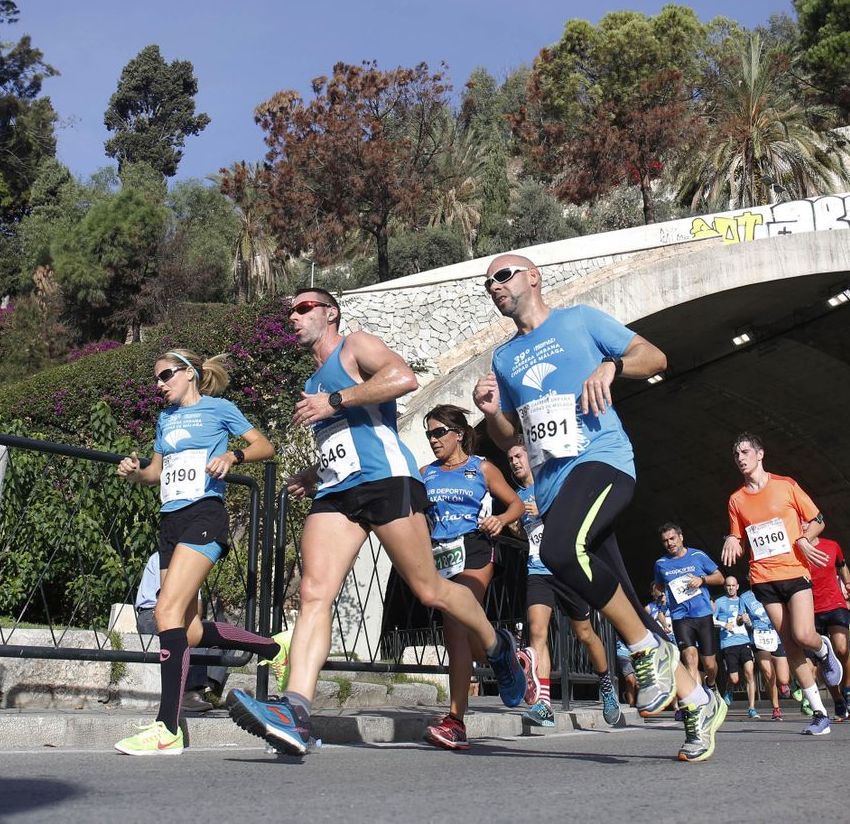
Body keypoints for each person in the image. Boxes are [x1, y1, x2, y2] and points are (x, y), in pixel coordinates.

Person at [228, 289, 535, 755]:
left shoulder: (355, 346)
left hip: (387, 481)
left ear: (330, 313)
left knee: (430, 590)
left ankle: (500, 649)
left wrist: (337, 398)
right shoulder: (312, 384)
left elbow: (403, 378)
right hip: (337, 491)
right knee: (315, 593)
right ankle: (296, 713)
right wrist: (315, 472)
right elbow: (346, 437)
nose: (293, 315)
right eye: (289, 310)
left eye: (304, 307)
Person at [473, 254, 725, 762]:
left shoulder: (580, 320)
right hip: (556, 487)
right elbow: (511, 438)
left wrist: (611, 365)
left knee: (563, 550)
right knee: (624, 601)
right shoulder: (503, 359)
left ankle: (644, 650)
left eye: (502, 275)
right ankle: (699, 702)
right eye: (487, 283)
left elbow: (654, 357)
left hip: (603, 462)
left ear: (533, 277)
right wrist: (491, 414)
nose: (493, 286)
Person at [114, 349, 280, 755]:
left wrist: (231, 456)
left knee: (164, 612)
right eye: (156, 379)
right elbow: (156, 472)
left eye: (166, 375)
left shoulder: (219, 408)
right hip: (169, 521)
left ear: (189, 373)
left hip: (204, 514)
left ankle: (167, 727)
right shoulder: (165, 419)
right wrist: (137, 473)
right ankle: (273, 648)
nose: (160, 384)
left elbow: (265, 446)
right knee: (184, 628)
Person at [719, 433, 844, 737]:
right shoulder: (736, 500)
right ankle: (819, 712)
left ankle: (823, 649)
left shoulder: (785, 485)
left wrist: (803, 538)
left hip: (794, 571)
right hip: (763, 577)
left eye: (745, 451)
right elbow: (737, 533)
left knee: (803, 635)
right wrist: (733, 539)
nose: (740, 458)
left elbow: (818, 519)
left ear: (760, 454)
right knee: (788, 643)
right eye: (736, 454)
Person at [419, 403, 526, 748]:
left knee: (454, 627)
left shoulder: (481, 468)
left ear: (459, 434)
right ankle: (508, 650)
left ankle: (455, 721)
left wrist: (501, 519)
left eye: (438, 433)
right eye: (429, 434)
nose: (433, 440)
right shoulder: (425, 473)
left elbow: (516, 504)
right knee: (469, 643)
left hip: (476, 548)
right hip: (440, 554)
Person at [511, 443, 623, 728]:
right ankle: (544, 704)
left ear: (531, 456)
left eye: (519, 455)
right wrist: (517, 527)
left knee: (584, 633)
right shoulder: (516, 499)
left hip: (564, 568)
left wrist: (546, 510)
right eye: (510, 458)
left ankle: (607, 687)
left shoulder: (555, 484)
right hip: (537, 569)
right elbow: (529, 535)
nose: (514, 462)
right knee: (537, 632)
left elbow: (575, 519)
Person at [133, 551, 225, 713]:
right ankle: (188, 692)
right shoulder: (163, 557)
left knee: (221, 633)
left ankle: (209, 688)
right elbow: (166, 602)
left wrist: (193, 616)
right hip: (151, 613)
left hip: (179, 612)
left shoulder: (192, 562)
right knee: (188, 630)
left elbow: (196, 607)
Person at [654, 523, 722, 691]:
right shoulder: (661, 564)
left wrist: (702, 580)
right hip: (680, 617)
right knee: (690, 659)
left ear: (681, 537)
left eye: (672, 538)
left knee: (710, 665)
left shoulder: (697, 555)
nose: (670, 543)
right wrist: (659, 595)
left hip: (703, 614)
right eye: (665, 541)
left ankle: (711, 683)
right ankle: (697, 703)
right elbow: (658, 586)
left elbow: (720, 578)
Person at [807, 534, 850, 721]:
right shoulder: (795, 550)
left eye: (807, 522)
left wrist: (848, 585)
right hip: (811, 610)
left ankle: (846, 689)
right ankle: (837, 699)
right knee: (823, 659)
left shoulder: (832, 545)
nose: (804, 526)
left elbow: (842, 565)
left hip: (836, 605)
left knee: (841, 648)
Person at [712, 575, 757, 718]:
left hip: (744, 641)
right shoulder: (719, 602)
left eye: (733, 585)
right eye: (728, 586)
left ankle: (751, 708)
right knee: (735, 679)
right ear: (725, 587)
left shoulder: (742, 601)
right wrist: (723, 624)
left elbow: (745, 622)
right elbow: (711, 620)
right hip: (728, 643)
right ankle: (729, 689)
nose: (731, 588)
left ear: (737, 586)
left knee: (749, 672)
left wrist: (746, 620)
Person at [739, 582, 785, 720]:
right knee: (769, 674)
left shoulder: (773, 589)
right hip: (759, 636)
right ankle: (776, 707)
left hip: (776, 635)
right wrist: (743, 619)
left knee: (783, 678)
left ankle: (786, 685)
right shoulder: (745, 597)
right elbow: (739, 618)